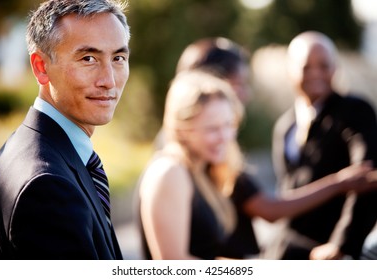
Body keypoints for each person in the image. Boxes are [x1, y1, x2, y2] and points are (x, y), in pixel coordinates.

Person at [138, 69, 377, 260]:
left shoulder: (205, 168)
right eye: (212, 128)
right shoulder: (171, 171)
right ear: (182, 128)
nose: (225, 137)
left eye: (228, 125)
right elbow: (172, 265)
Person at [0, 0, 130, 259]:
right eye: (88, 58)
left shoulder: (31, 147)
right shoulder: (47, 186)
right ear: (41, 67)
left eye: (118, 58)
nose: (109, 81)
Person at [271, 31, 377, 260]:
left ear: (335, 68)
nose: (315, 73)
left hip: (329, 249)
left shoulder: (354, 111)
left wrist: (342, 245)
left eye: (323, 65)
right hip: (288, 248)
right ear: (291, 70)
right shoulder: (285, 126)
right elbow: (286, 192)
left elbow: (367, 178)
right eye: (306, 67)